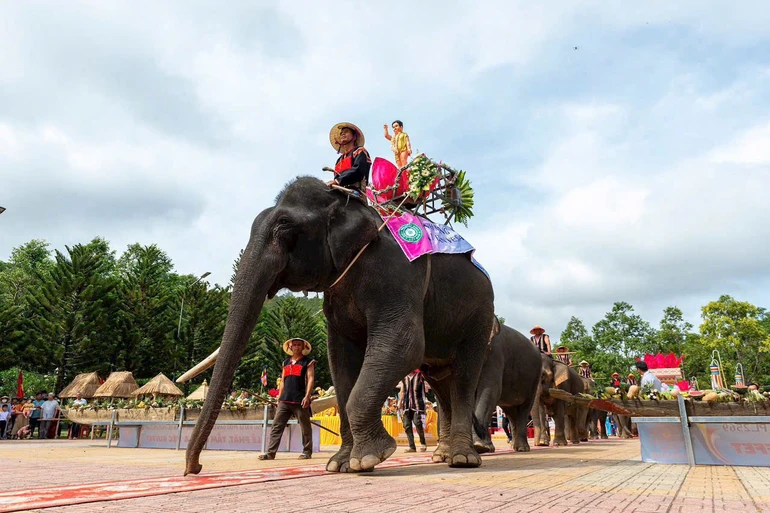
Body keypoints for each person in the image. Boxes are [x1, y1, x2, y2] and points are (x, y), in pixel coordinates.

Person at [259, 338, 316, 461]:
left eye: (299, 345)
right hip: (285, 400)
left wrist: (307, 396)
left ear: (303, 347)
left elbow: (311, 379)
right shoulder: (285, 362)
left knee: (305, 427)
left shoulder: (308, 362)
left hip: (300, 399)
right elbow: (283, 381)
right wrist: (279, 397)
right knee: (276, 426)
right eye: (294, 345)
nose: (296, 347)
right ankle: (270, 453)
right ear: (290, 347)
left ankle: (307, 452)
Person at [328, 122, 372, 192]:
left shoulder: (360, 151)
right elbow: (336, 177)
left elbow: (358, 170)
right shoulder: (339, 160)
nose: (342, 134)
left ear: (354, 137)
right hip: (340, 191)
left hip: (356, 191)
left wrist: (337, 181)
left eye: (346, 132)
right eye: (341, 133)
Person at [396, 369, 429, 453]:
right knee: (407, 426)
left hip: (417, 404)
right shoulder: (404, 378)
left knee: (417, 423)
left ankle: (423, 443)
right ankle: (412, 447)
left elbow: (426, 388)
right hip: (406, 405)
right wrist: (399, 402)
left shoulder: (420, 375)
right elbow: (402, 391)